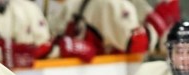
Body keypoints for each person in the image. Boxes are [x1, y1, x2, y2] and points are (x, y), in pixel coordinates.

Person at [50, 0, 179, 56]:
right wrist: (156, 34)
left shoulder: (71, 3)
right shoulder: (116, 4)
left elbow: (51, 36)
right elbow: (136, 43)